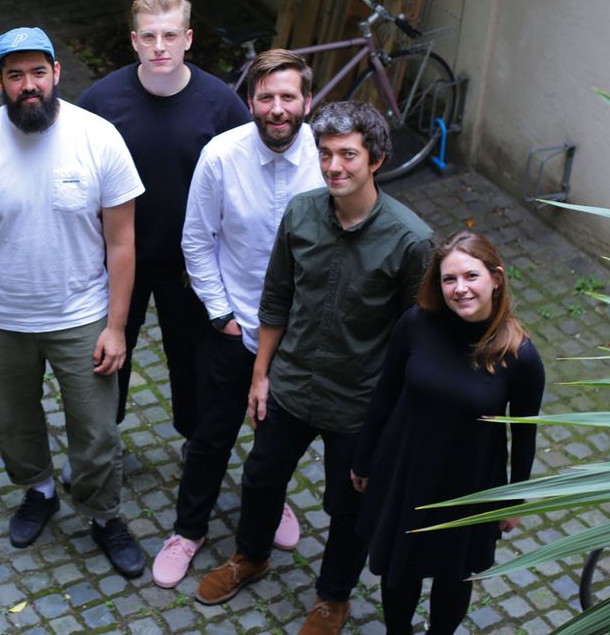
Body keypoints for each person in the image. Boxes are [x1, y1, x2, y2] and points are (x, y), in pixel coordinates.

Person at [196, 101, 434, 635]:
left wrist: (396, 420)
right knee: (259, 479)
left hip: (360, 403)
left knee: (348, 508)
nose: (334, 167)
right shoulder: (302, 212)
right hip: (292, 383)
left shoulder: (412, 240)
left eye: (348, 155)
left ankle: (334, 597)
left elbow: (416, 339)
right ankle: (250, 556)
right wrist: (260, 376)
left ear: (376, 159)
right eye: (325, 154)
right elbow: (275, 299)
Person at [0, 27, 147, 577]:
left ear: (57, 73)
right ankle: (41, 489)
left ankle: (103, 516)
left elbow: (123, 242)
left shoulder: (99, 138)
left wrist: (118, 326)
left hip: (82, 315)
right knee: (13, 419)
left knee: (97, 428)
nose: (27, 86)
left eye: (37, 72)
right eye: (15, 75)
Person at [154, 49, 323, 589]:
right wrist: (222, 313)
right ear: (249, 101)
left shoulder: (328, 159)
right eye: (266, 97)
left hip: (297, 336)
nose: (277, 108)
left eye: (288, 97)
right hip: (234, 327)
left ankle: (269, 506)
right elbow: (196, 241)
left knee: (277, 441)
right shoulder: (221, 155)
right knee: (211, 435)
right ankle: (188, 528)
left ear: (307, 101)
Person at [76, 0, 249, 442]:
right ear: (133, 40)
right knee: (108, 357)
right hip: (114, 261)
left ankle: (195, 443)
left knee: (192, 362)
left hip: (190, 267)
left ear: (188, 39)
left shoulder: (222, 105)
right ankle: (101, 443)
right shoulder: (99, 103)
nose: (159, 47)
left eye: (170, 35)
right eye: (149, 36)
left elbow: (244, 181)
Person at [351, 231, 544, 634]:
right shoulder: (417, 324)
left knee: (453, 575)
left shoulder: (519, 355)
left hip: (469, 482)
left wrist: (513, 501)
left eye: (470, 276)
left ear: (496, 278)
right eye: (449, 279)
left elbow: (524, 435)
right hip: (406, 468)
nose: (460, 289)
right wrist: (364, 459)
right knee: (399, 572)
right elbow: (384, 395)